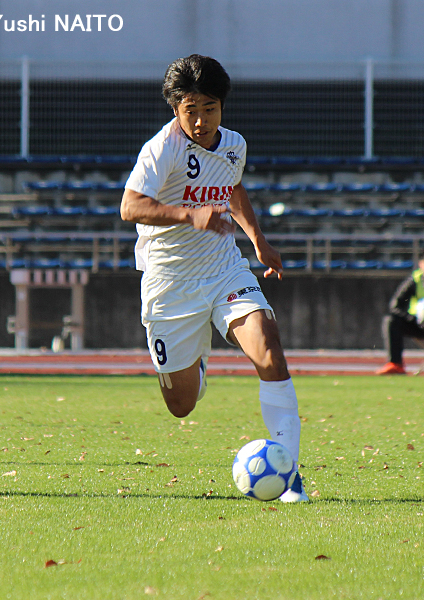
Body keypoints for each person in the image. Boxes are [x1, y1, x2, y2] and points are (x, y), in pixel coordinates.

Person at [120, 54, 307, 502]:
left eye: (209, 108)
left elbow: (233, 186)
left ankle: (290, 476)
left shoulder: (234, 144)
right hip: (169, 282)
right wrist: (189, 214)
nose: (201, 121)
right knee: (181, 406)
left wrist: (258, 240)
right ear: (175, 109)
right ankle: (196, 369)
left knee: (269, 350)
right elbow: (130, 207)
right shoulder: (160, 150)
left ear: (222, 107)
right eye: (191, 110)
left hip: (224, 269)